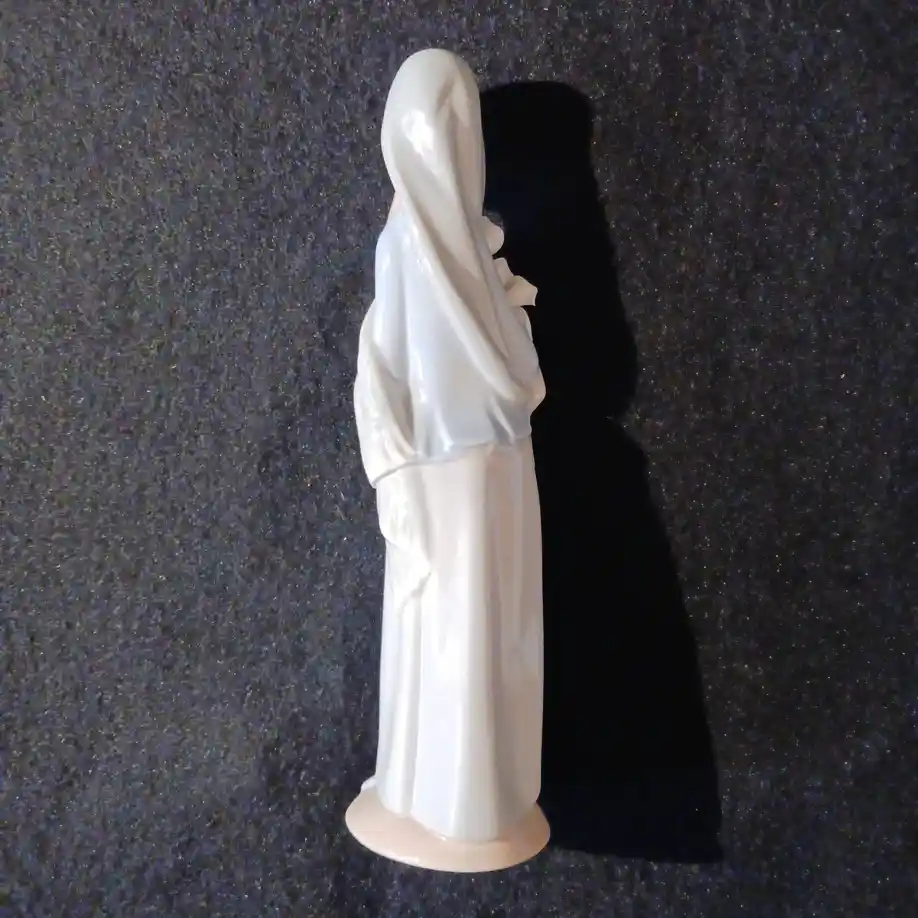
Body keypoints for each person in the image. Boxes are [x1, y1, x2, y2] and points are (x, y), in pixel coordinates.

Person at [352, 48, 546, 846]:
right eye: (443, 125)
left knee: (476, 630)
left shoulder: (456, 243)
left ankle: (473, 798)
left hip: (487, 465)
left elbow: (512, 373)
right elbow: (389, 360)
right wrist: (394, 464)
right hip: (450, 467)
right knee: (457, 629)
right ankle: (445, 794)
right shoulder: (409, 241)